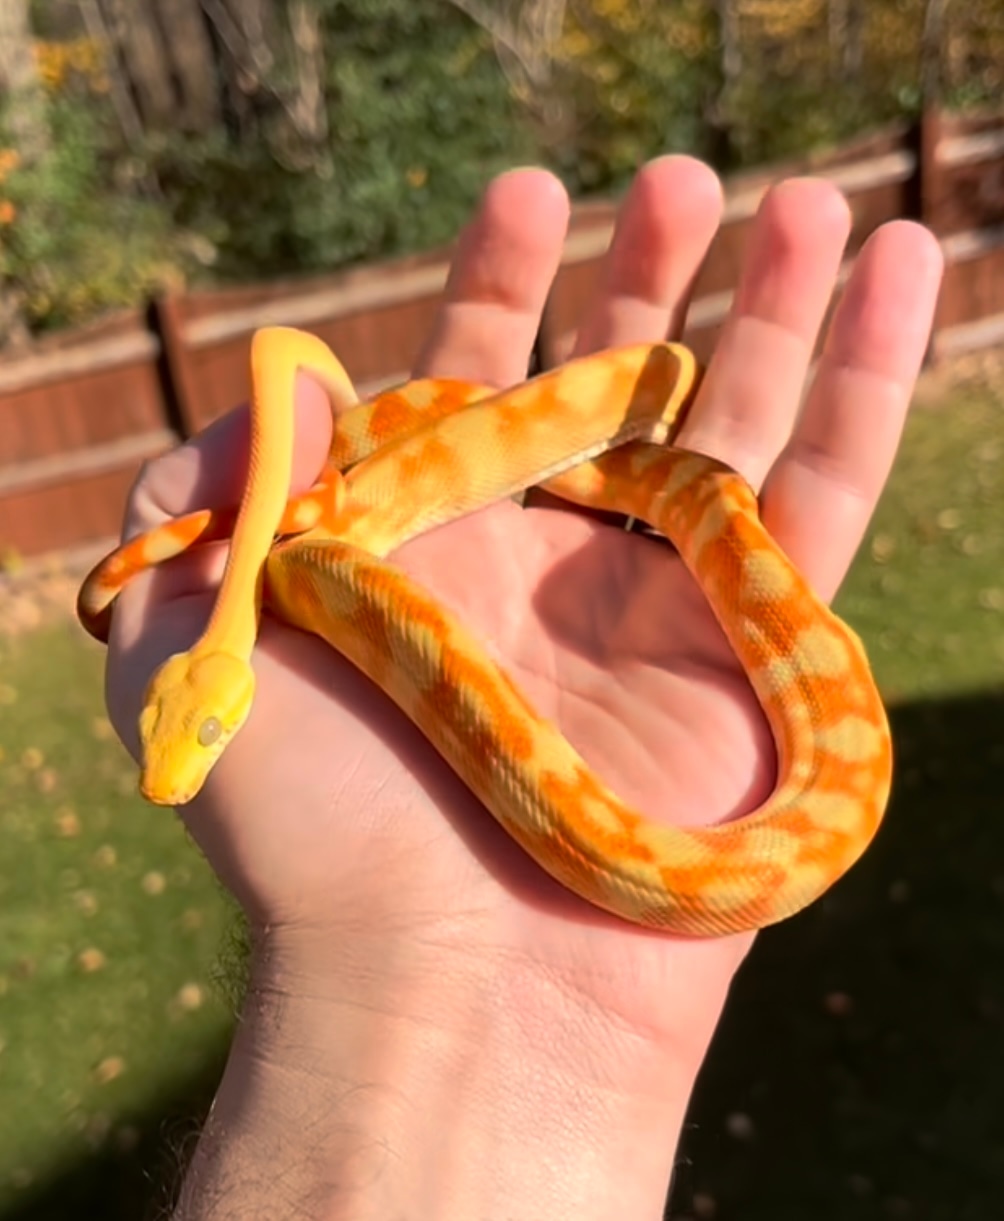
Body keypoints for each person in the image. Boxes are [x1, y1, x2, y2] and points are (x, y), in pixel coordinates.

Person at [103, 156, 942, 1219]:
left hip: (562, 494)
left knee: (340, 538)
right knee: (321, 545)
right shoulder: (304, 569)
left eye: (202, 730)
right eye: (200, 733)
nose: (180, 763)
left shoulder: (313, 562)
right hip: (451, 511)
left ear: (194, 678)